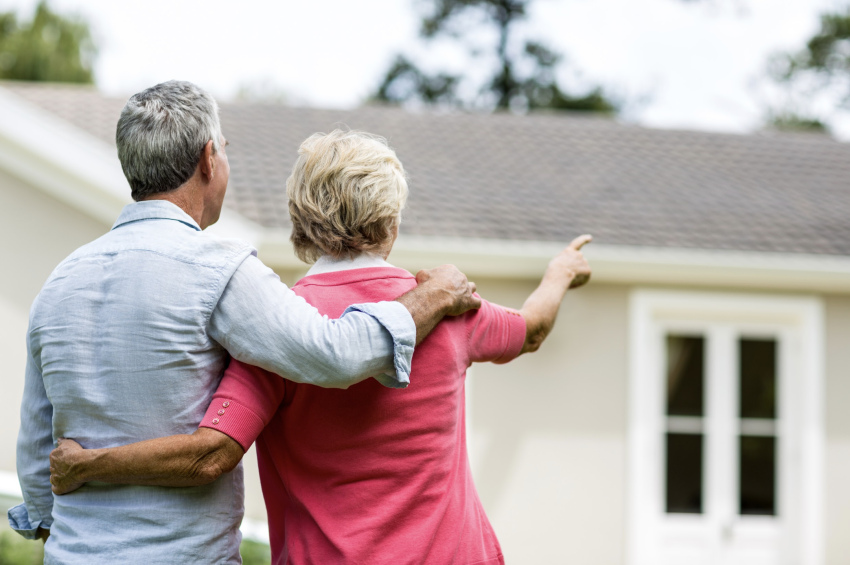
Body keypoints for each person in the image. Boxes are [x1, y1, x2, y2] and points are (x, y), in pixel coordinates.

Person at [50, 129, 592, 564]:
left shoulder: (276, 330)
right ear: (392, 218)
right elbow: (533, 329)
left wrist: (87, 463)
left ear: (300, 220)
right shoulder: (448, 307)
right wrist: (561, 272)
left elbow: (211, 452)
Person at [11, 83, 480, 565]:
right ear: (208, 159)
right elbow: (338, 355)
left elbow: (37, 449)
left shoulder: (59, 283)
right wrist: (433, 295)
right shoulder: (219, 271)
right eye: (225, 150)